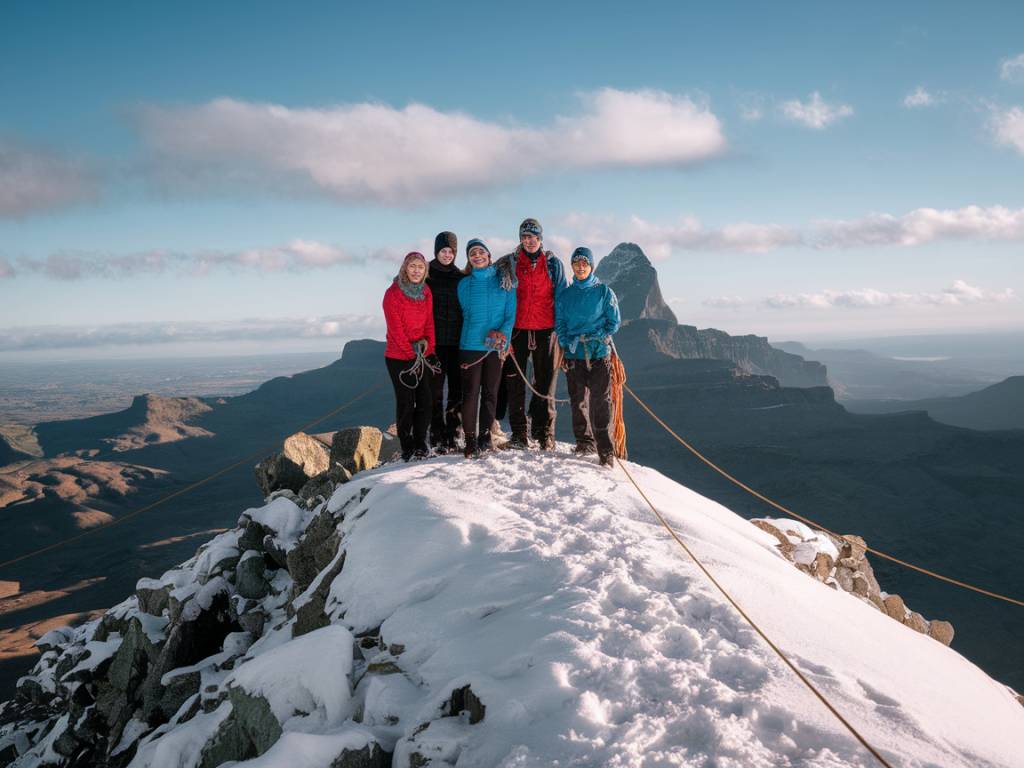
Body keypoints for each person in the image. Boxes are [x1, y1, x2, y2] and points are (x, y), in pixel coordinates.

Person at [495, 217, 567, 450]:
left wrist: (563, 331)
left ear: (540, 238)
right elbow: (493, 288)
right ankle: (519, 434)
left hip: (546, 330)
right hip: (517, 330)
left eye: (533, 237)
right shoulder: (509, 263)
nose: (529, 241)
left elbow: (562, 297)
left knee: (545, 384)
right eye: (525, 237)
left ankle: (543, 433)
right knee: (514, 383)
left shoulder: (553, 264)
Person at [556, 247, 621, 467]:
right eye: (576, 263)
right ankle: (584, 442)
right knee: (578, 401)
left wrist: (599, 336)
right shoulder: (566, 295)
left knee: (601, 401)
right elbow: (561, 323)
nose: (581, 267)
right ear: (572, 266)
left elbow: (614, 321)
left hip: (599, 353)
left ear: (591, 266)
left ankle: (605, 449)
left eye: (585, 263)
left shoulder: (604, 292)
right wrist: (565, 343)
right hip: (575, 354)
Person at [457, 239, 516, 459]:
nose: (477, 255)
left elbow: (510, 315)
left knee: (491, 393)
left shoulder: (505, 280)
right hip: (470, 345)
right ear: (469, 259)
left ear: (489, 255)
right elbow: (466, 312)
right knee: (470, 394)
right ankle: (471, 441)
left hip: (496, 346)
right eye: (473, 253)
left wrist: (503, 336)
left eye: (481, 251)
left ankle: (484, 437)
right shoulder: (464, 285)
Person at [382, 251, 436, 461]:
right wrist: (410, 354)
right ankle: (407, 447)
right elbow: (395, 329)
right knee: (406, 402)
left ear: (425, 271)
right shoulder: (393, 293)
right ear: (405, 268)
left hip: (422, 355)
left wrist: (429, 349)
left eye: (420, 267)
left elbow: (429, 322)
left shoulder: (426, 292)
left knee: (425, 400)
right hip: (398, 357)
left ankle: (421, 444)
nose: (416, 270)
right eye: (412, 266)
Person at [426, 231, 466, 453]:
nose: (447, 254)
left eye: (451, 251)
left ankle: (454, 434)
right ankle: (436, 434)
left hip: (457, 342)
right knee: (435, 391)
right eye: (443, 250)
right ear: (436, 251)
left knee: (456, 391)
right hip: (435, 343)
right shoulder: (426, 274)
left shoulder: (460, 277)